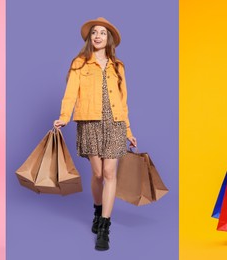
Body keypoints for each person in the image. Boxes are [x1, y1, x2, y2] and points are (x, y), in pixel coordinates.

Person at [53, 17, 137, 251]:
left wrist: (128, 130)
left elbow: (123, 100)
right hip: (89, 122)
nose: (98, 36)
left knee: (110, 173)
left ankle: (104, 227)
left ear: (109, 38)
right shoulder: (79, 63)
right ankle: (98, 210)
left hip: (114, 123)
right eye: (94, 33)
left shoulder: (118, 66)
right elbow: (70, 93)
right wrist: (64, 116)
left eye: (102, 32)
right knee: (98, 173)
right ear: (90, 38)